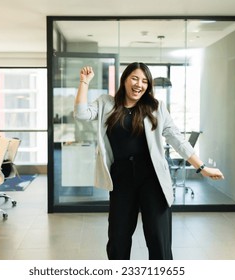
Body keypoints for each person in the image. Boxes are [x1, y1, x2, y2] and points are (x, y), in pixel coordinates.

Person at [74, 62, 224, 260]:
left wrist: (202, 167)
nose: (139, 84)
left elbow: (176, 138)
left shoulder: (155, 107)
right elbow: (81, 113)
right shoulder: (106, 103)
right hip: (121, 178)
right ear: (125, 80)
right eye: (135, 78)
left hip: (153, 178)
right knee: (118, 238)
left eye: (145, 81)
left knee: (158, 239)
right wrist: (84, 83)